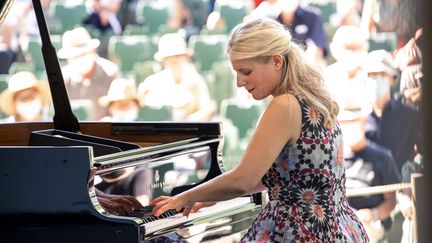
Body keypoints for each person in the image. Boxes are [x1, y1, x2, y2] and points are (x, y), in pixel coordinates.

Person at [149, 18, 369, 242]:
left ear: (276, 61)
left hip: (300, 232)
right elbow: (289, 175)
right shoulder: (313, 99)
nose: (238, 82)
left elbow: (243, 180)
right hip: (334, 227)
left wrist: (183, 198)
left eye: (245, 71)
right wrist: (209, 196)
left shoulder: (285, 105)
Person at [339, 106, 400, 242]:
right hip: (340, 223)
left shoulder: (383, 157)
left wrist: (373, 214)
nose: (350, 126)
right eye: (345, 123)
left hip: (371, 227)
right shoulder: (334, 160)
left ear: (364, 122)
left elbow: (392, 199)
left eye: (354, 121)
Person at [138, 33, 215, 122]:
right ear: (163, 60)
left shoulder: (196, 80)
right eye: (170, 57)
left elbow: (206, 110)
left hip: (189, 131)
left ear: (185, 57)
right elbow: (146, 112)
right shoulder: (152, 82)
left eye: (179, 55)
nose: (175, 60)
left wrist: (185, 123)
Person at [58, 27, 120, 121]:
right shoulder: (63, 77)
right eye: (73, 57)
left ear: (92, 51)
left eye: (82, 54)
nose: (78, 60)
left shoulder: (110, 72)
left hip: (103, 132)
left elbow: (118, 108)